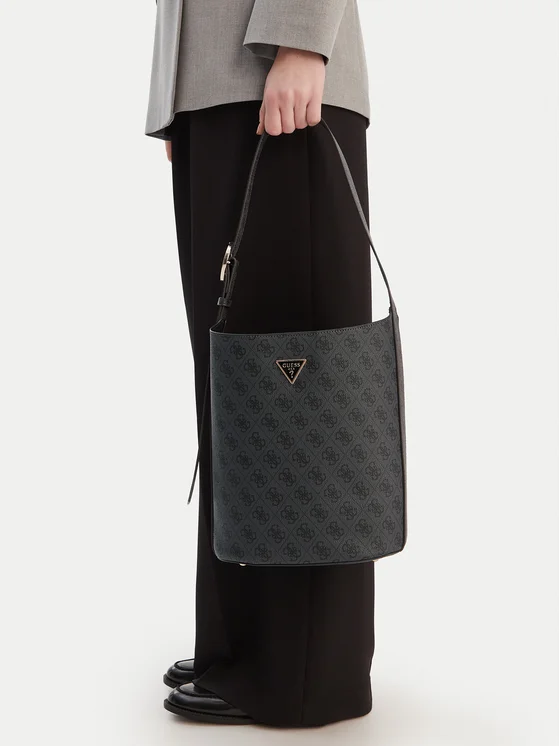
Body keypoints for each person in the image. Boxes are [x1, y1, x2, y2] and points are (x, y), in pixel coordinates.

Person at [145, 0, 375, 728]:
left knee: (294, 389)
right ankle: (239, 645)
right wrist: (178, 93)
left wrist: (302, 40)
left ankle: (300, 674)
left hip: (278, 67)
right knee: (236, 382)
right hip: (217, 82)